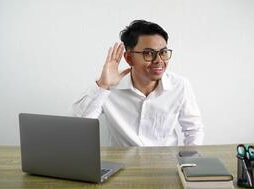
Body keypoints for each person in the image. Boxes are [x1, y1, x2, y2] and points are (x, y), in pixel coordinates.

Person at [72, 20, 204, 146]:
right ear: (129, 58)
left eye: (163, 52)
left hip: (165, 162)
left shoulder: (180, 85)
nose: (158, 60)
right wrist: (103, 85)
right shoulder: (109, 87)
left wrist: (188, 163)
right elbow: (80, 126)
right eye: (148, 53)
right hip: (123, 165)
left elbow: (194, 130)